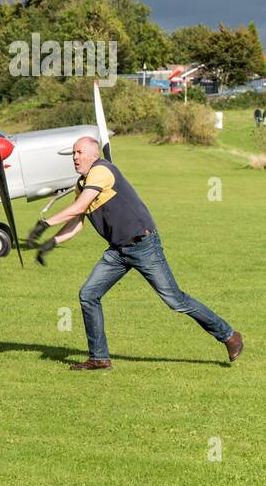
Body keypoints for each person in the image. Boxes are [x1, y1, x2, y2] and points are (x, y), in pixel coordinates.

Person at [27, 137, 243, 370]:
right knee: (88, 294)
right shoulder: (82, 184)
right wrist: (52, 242)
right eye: (73, 153)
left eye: (79, 152)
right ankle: (99, 358)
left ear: (93, 154)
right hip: (118, 251)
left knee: (175, 300)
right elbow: (78, 221)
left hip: (143, 245)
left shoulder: (103, 171)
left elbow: (79, 207)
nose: (75, 158)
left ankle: (229, 336)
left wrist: (44, 224)